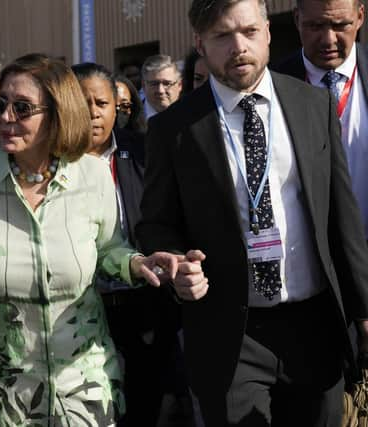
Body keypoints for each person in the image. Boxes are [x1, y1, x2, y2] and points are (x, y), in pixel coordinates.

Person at [0, 53, 204, 426]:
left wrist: (140, 264)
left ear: (57, 112)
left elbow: (108, 250)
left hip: (83, 390)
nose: (5, 117)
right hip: (0, 397)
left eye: (22, 108)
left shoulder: (92, 176)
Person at [137, 0, 368, 425]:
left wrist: (363, 309)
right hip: (229, 333)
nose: (238, 47)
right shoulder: (174, 128)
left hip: (314, 324)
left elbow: (343, 217)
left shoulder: (312, 104)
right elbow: (155, 223)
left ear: (267, 29)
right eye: (222, 36)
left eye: (248, 32)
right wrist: (174, 264)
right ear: (200, 44)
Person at [73, 62, 191, 426]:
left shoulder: (144, 149)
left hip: (147, 303)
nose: (93, 112)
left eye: (101, 103)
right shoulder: (52, 162)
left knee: (149, 405)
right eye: (83, 102)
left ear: (117, 106)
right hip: (83, 310)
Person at [274, 0, 368, 240]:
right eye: (315, 26)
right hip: (308, 256)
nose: (328, 40)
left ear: (360, 17)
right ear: (297, 20)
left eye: (340, 25)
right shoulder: (271, 87)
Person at [141, 54, 183, 120]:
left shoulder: (194, 117)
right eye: (154, 84)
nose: (160, 90)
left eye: (167, 83)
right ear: (143, 85)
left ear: (180, 85)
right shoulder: (127, 120)